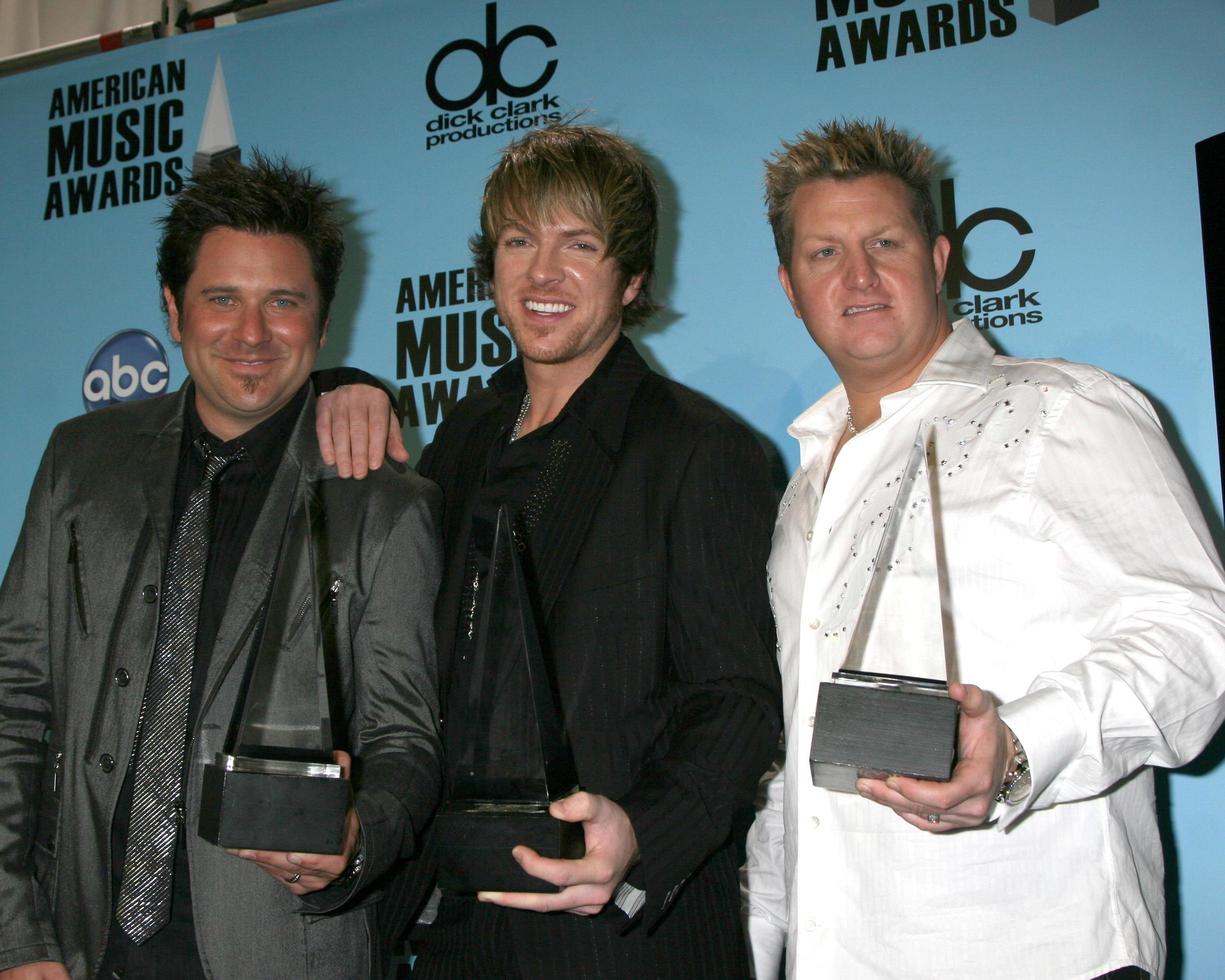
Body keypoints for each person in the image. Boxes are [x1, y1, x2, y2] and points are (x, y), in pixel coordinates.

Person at [741, 118, 1225, 978]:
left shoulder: (1061, 408)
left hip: (1036, 949)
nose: (857, 275)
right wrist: (760, 937)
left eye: (883, 242)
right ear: (789, 286)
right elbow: (800, 748)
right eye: (823, 254)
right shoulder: (801, 490)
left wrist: (1017, 747)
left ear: (935, 259)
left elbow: (1198, 637)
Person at [325, 122, 782, 977]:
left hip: (612, 939)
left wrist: (640, 834)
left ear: (632, 275)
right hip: (447, 927)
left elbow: (741, 697)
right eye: (518, 240)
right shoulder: (460, 437)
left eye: (580, 244)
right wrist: (334, 386)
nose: (542, 273)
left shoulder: (698, 447)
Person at [0, 154, 443, 980]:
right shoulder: (78, 461)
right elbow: (13, 705)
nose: (250, 334)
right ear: (172, 310)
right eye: (221, 299)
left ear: (321, 317)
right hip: (77, 949)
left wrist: (354, 839)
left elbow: (405, 741)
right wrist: (15, 936)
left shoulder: (384, 506)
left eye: (283, 301)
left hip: (283, 950)